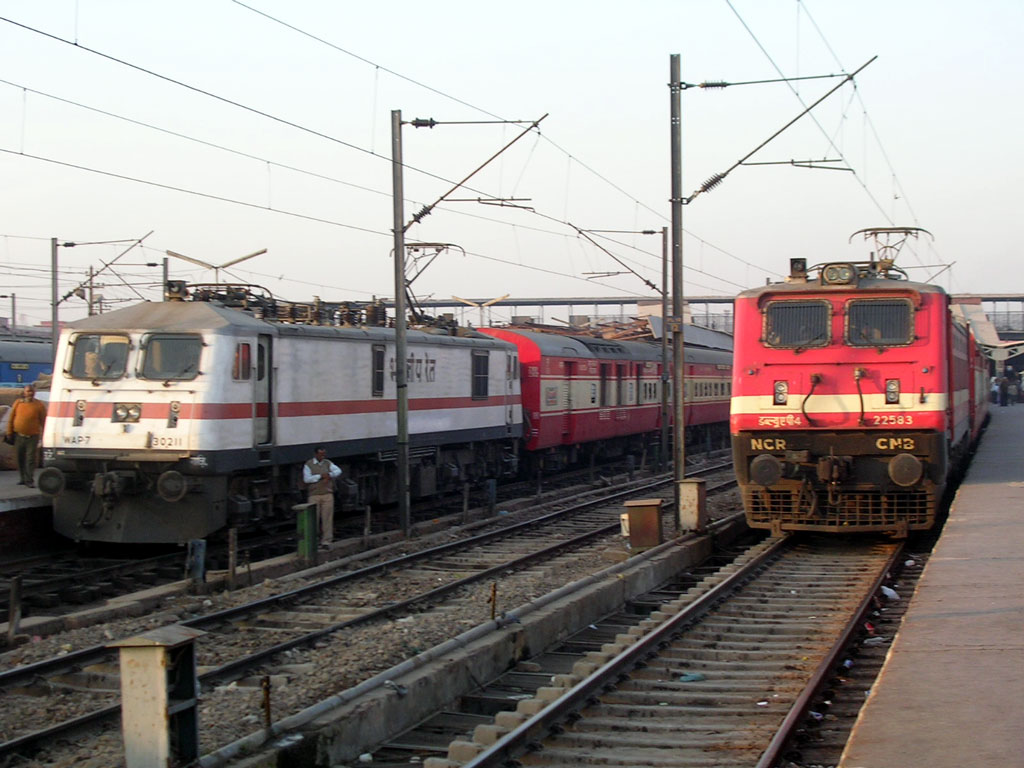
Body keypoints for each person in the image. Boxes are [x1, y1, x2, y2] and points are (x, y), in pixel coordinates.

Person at [5, 384, 47, 487]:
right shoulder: (18, 403)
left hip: (33, 437)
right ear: (24, 393)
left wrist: (44, 435)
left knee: (30, 459)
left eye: (32, 391)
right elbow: (11, 418)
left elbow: (43, 421)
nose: (30, 393)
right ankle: (22, 478)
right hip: (19, 436)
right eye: (28, 391)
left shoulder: (39, 405)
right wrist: (9, 432)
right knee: (20, 458)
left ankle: (29, 480)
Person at [303, 446, 342, 548]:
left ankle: (326, 541)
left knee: (327, 519)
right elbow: (307, 479)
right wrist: (321, 476)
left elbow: (338, 471)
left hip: (327, 494)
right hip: (314, 495)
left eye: (324, 454)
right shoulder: (309, 464)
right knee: (313, 519)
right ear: (316, 454)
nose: (322, 456)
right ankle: (313, 541)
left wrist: (329, 475)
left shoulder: (328, 463)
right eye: (321, 454)